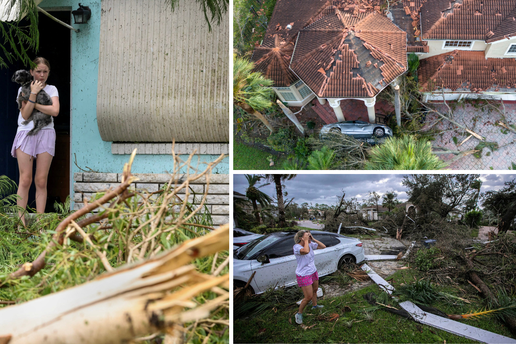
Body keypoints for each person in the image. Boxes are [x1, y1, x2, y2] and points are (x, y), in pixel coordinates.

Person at [11, 57, 60, 226]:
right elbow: (25, 115)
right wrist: (33, 93)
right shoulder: (22, 90)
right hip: (26, 132)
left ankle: (40, 223)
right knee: (25, 179)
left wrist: (35, 104)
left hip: (46, 133)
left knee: (41, 180)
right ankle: (21, 222)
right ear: (31, 72)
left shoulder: (52, 89)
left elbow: (54, 110)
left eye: (45, 71)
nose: (41, 75)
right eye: (38, 71)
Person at [293, 230, 326, 325]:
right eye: (307, 236)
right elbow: (306, 251)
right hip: (303, 275)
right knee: (308, 297)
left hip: (313, 271)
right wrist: (307, 241)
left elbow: (323, 246)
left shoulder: (310, 244)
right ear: (301, 238)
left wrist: (313, 239)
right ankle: (299, 314)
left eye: (309, 235)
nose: (309, 237)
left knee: (315, 290)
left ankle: (315, 305)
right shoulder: (297, 247)